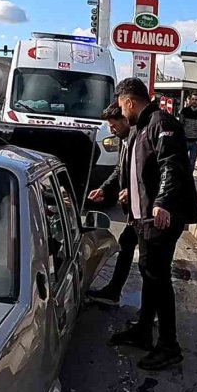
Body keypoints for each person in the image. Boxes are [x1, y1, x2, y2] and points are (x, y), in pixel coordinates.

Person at [109, 78, 197, 371]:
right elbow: (139, 170)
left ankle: (169, 345)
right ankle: (143, 330)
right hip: (144, 217)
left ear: (129, 102)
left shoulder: (162, 123)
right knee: (149, 273)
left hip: (161, 216)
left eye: (123, 107)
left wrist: (162, 201)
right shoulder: (140, 126)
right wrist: (129, 193)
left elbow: (171, 165)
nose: (122, 114)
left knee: (159, 279)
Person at [87, 102, 136, 306]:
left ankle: (149, 315)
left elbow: (145, 175)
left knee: (151, 266)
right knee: (126, 242)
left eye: (114, 126)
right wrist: (105, 189)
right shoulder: (124, 140)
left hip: (150, 211)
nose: (111, 131)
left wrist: (132, 194)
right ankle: (113, 291)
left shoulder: (137, 138)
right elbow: (119, 169)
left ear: (125, 119)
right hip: (136, 209)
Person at [179, 92, 197, 169]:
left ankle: (189, 178)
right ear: (190, 100)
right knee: (182, 161)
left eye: (196, 99)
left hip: (195, 142)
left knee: (192, 162)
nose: (194, 101)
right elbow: (180, 126)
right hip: (185, 141)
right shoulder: (184, 111)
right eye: (193, 99)